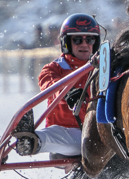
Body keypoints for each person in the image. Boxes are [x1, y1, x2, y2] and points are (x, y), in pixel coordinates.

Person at [12, 13, 100, 157]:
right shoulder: (55, 68)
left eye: (89, 39)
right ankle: (31, 141)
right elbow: (48, 83)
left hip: (100, 133)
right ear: (66, 43)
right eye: (77, 39)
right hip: (68, 134)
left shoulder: (104, 68)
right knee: (83, 141)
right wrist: (66, 92)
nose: (84, 44)